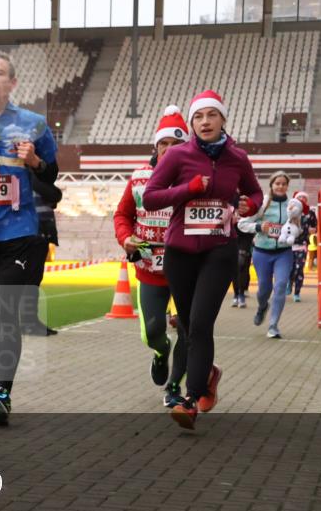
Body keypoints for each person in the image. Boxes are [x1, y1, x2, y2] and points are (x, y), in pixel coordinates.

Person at [142, 90, 262, 430]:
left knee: (200, 323)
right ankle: (209, 375)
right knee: (187, 326)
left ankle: (191, 399)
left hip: (219, 250)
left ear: (223, 119)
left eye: (212, 115)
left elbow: (255, 192)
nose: (205, 122)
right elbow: (151, 198)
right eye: (198, 117)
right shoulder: (178, 156)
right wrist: (189, 189)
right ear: (192, 123)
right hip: (180, 253)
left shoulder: (237, 158)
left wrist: (249, 205)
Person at [0, 51, 59, 425]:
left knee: (6, 314)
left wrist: (35, 162)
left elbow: (51, 175)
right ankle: (2, 360)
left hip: (20, 231)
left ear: (13, 83)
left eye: (0, 73)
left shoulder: (34, 123)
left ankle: (1, 391)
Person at [112, 105, 190, 408]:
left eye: (177, 145)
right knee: (152, 332)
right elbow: (122, 214)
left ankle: (174, 387)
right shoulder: (139, 178)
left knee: (188, 330)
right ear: (155, 147)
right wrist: (126, 238)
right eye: (164, 144)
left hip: (186, 266)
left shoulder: (195, 180)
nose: (169, 151)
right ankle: (160, 353)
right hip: (148, 265)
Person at [237, 171, 294, 339]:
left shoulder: (292, 205)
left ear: (287, 186)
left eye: (283, 184)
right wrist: (260, 227)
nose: (280, 186)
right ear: (271, 185)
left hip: (284, 252)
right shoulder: (262, 204)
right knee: (264, 289)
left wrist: (294, 230)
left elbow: (298, 226)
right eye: (277, 183)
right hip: (262, 252)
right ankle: (262, 306)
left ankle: (273, 325)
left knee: (281, 286)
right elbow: (242, 223)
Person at [20, 169, 63, 336]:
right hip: (33, 229)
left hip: (38, 229)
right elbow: (52, 194)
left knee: (33, 278)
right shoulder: (29, 174)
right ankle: (28, 321)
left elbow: (53, 196)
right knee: (31, 278)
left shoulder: (33, 175)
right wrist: (52, 194)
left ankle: (29, 320)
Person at [289, 190, 318, 302]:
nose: (302, 199)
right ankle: (289, 282)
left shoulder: (310, 212)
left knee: (299, 269)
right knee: (290, 268)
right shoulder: (290, 210)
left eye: (304, 197)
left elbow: (314, 226)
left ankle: (297, 292)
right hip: (289, 244)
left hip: (302, 244)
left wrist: (313, 229)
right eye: (299, 197)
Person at [231, 210, 254, 308]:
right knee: (235, 270)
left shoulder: (251, 214)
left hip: (245, 244)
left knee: (243, 268)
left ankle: (241, 294)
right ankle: (236, 294)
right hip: (234, 243)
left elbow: (253, 230)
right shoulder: (232, 211)